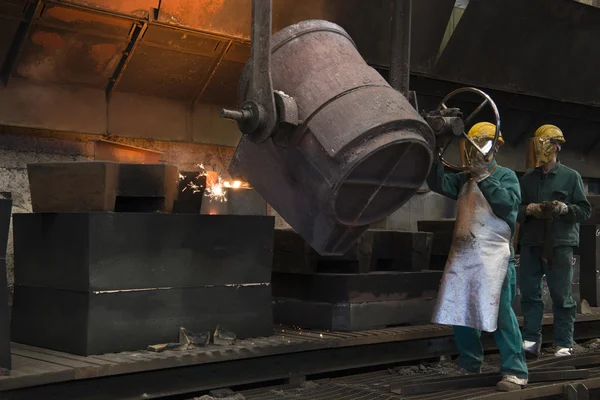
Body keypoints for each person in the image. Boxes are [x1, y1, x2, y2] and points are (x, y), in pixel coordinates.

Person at [428, 122, 528, 392]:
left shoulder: (505, 176)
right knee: (460, 310)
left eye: (481, 144)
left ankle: (515, 371)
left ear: (494, 147)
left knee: (502, 315)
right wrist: (435, 148)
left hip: (493, 257)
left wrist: (485, 178)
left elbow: (508, 205)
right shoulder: (464, 178)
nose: (475, 151)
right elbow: (437, 181)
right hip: (464, 254)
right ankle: (469, 362)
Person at [518, 124, 591, 358]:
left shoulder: (571, 177)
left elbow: (584, 211)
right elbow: (513, 209)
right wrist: (527, 209)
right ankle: (530, 343)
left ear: (556, 147)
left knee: (561, 296)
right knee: (529, 294)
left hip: (559, 244)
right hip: (531, 243)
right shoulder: (527, 179)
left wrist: (565, 208)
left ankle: (563, 344)